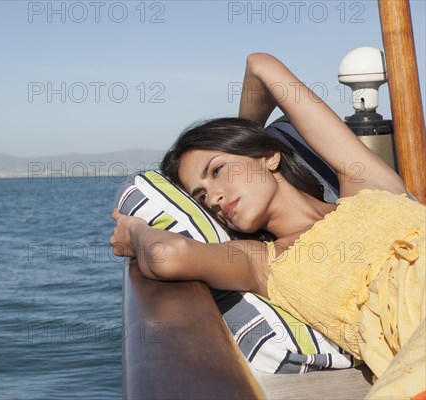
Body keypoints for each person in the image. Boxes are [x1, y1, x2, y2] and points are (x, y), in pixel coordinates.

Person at [110, 53, 425, 399]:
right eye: (200, 197)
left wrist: (242, 135)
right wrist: (134, 233)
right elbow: (164, 254)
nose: (213, 197)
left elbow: (260, 67)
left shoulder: (367, 184)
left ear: (269, 156)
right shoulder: (262, 262)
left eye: (217, 170)